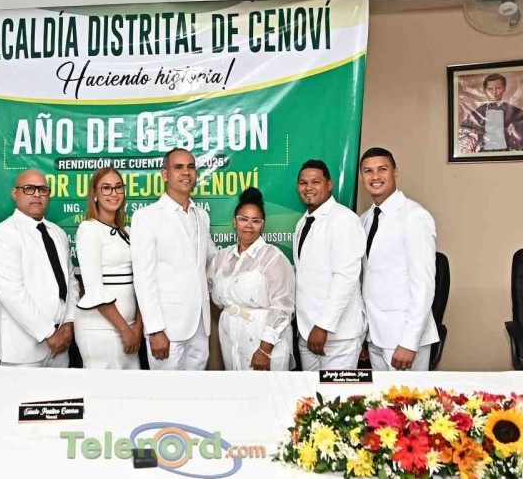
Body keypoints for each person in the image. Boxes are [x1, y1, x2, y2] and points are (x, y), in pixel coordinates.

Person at [131, 148, 215, 370]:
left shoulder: (202, 216)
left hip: (200, 325)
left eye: (191, 167)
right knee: (165, 390)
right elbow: (144, 278)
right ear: (165, 174)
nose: (186, 172)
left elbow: (210, 262)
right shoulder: (146, 217)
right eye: (178, 167)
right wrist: (155, 329)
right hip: (167, 328)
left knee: (197, 389)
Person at [0, 169, 80, 367]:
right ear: (15, 193)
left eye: (42, 189)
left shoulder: (57, 233)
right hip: (22, 349)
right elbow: (11, 293)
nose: (37, 194)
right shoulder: (3, 234)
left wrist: (69, 322)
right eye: (29, 189)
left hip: (61, 344)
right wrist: (48, 333)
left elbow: (70, 281)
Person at [359, 147, 439, 371]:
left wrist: (409, 341)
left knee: (406, 396)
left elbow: (423, 283)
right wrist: (365, 335)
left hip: (403, 338)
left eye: (382, 169)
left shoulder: (414, 216)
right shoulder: (364, 219)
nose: (375, 176)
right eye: (368, 171)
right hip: (375, 336)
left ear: (395, 172)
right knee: (379, 395)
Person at [292, 160, 366, 371]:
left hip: (336, 335)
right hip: (307, 332)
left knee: (336, 392)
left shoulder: (343, 219)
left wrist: (323, 326)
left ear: (329, 184)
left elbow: (345, 277)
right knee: (310, 392)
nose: (308, 187)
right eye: (303, 182)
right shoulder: (304, 222)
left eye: (315, 182)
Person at [211, 187, 294, 371]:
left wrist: (264, 350)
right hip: (231, 339)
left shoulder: (273, 257)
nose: (249, 225)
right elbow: (210, 292)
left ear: (262, 225)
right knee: (239, 387)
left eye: (256, 221)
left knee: (268, 388)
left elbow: (282, 307)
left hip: (264, 341)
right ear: (234, 221)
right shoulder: (222, 257)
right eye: (243, 219)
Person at [74, 168, 143, 369]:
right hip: (100, 328)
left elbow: (142, 282)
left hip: (130, 326)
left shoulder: (128, 231)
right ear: (94, 194)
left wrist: (137, 327)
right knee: (103, 386)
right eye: (106, 188)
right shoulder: (89, 229)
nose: (114, 193)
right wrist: (124, 330)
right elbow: (94, 289)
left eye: (118, 187)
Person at [459, 73, 523, 153]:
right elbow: (463, 132)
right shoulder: (477, 113)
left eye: (498, 88)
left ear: (504, 89)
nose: (494, 92)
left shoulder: (516, 112)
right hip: (483, 154)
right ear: (484, 90)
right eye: (490, 89)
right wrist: (472, 132)